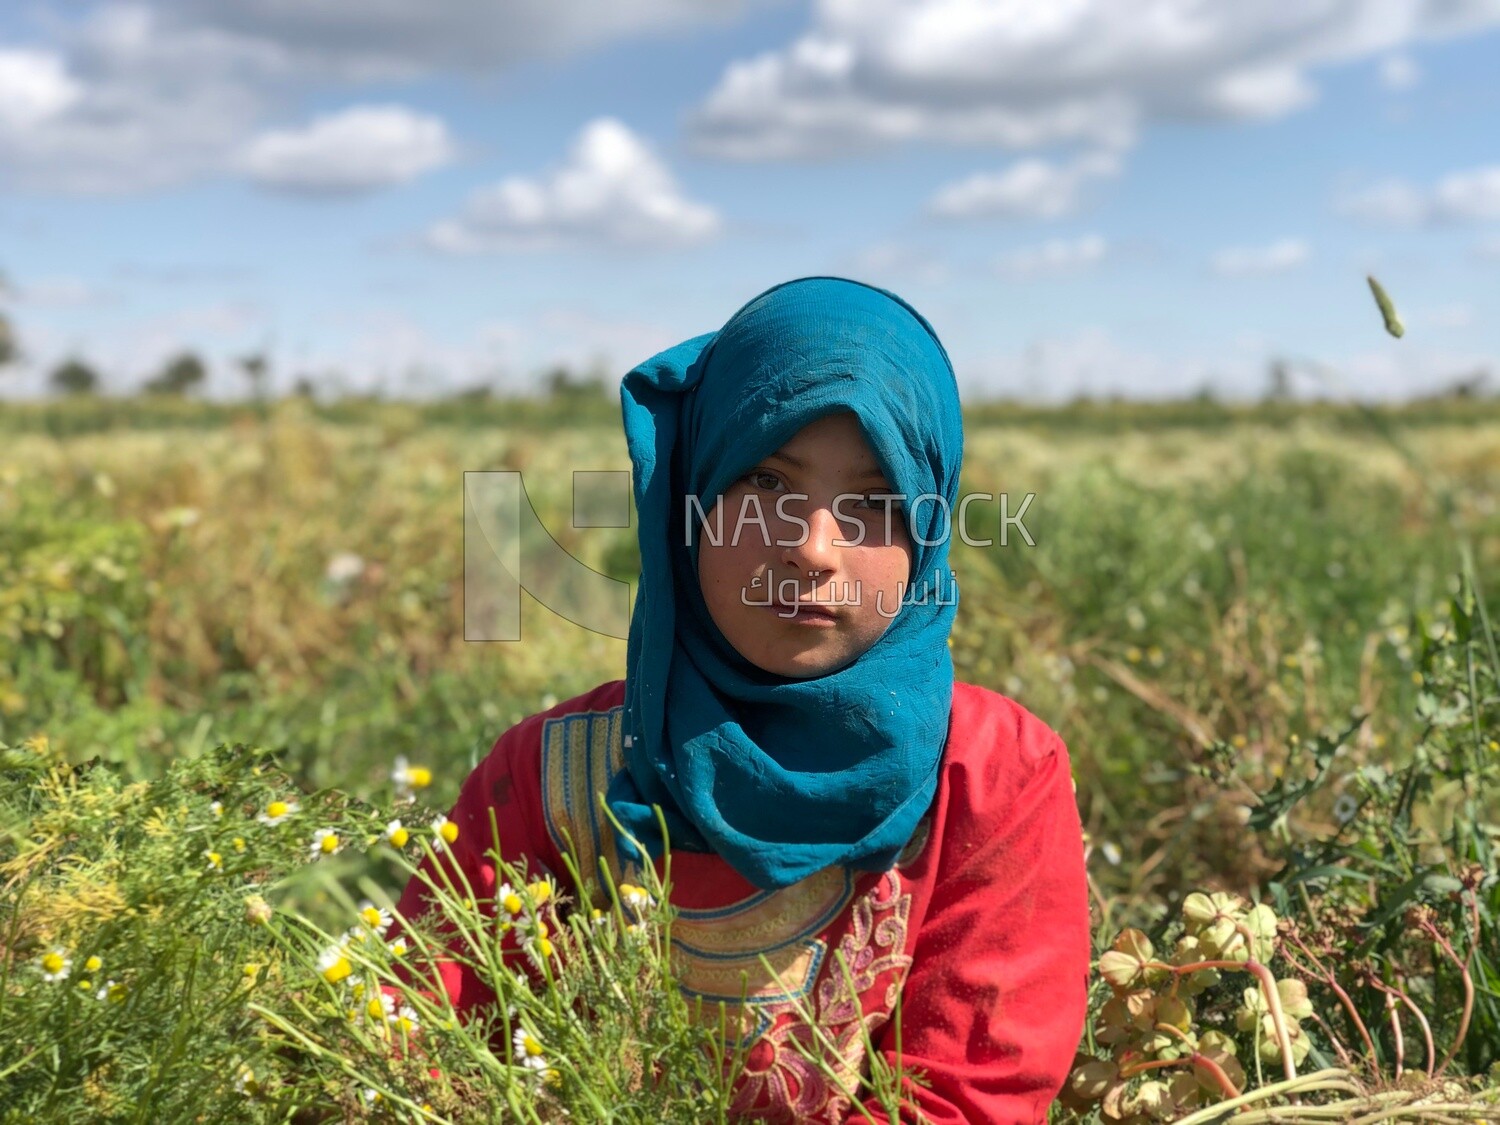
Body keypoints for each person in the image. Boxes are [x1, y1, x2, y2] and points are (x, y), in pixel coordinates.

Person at [390, 277, 1091, 1123]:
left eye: (873, 501)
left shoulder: (992, 778)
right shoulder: (549, 777)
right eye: (763, 480)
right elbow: (406, 1050)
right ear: (690, 503)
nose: (811, 549)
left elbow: (968, 1098)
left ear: (928, 529)